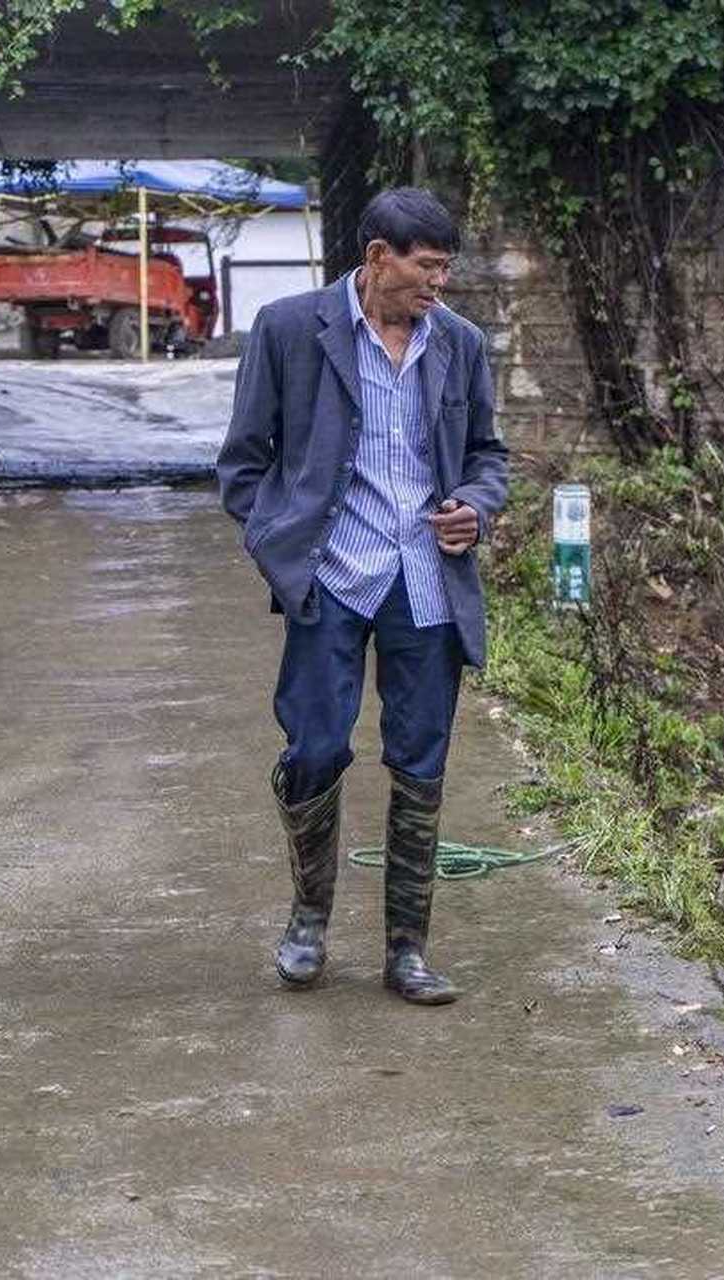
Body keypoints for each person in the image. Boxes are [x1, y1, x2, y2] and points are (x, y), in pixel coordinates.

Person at [216, 187, 508, 1005]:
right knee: (314, 747)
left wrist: (474, 510)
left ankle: (407, 950)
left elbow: (489, 456)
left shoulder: (460, 344)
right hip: (331, 579)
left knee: (421, 761)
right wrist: (277, 547)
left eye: (446, 269)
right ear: (378, 257)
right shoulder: (287, 329)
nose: (438, 285)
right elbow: (243, 464)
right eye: (427, 267)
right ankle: (308, 923)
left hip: (424, 584)